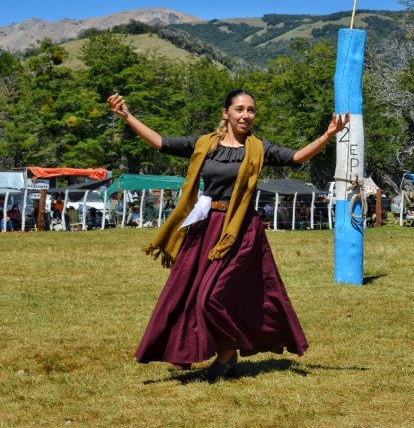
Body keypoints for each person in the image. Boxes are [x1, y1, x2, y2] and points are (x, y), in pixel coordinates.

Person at [108, 89, 349, 379]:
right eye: (239, 109)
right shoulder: (205, 144)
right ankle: (220, 356)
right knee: (187, 292)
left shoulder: (258, 148)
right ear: (226, 113)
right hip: (206, 226)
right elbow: (161, 142)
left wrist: (327, 135)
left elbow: (296, 157)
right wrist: (128, 116)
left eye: (251, 110)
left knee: (212, 296)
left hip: (241, 229)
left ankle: (227, 354)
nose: (246, 115)